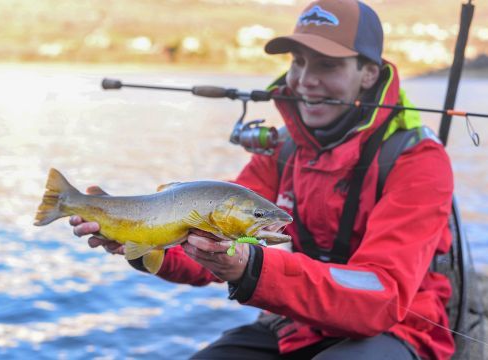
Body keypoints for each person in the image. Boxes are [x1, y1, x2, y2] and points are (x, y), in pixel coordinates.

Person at [71, 0, 455, 358]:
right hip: (299, 324)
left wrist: (253, 268)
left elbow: (379, 294)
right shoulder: (281, 151)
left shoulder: (419, 161)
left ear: (369, 74)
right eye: (298, 61)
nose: (305, 80)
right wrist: (136, 238)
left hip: (396, 330)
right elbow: (205, 240)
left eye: (327, 65)